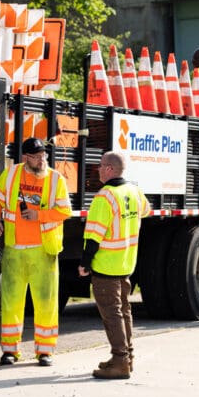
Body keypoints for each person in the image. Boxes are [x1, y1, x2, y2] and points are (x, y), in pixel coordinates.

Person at [0, 137, 71, 366]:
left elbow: (65, 211)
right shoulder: (12, 174)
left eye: (44, 155)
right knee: (11, 302)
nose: (42, 159)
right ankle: (9, 351)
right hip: (14, 249)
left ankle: (45, 352)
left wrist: (39, 216)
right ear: (26, 158)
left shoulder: (56, 179)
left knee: (46, 301)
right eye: (36, 156)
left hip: (43, 249)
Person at [78, 151, 151, 379]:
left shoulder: (105, 196)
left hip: (106, 265)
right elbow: (146, 211)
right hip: (126, 263)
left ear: (109, 169)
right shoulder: (134, 191)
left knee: (112, 314)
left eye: (100, 166)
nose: (98, 169)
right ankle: (127, 357)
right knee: (124, 311)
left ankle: (120, 361)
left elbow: (94, 236)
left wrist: (85, 263)